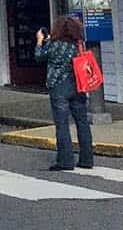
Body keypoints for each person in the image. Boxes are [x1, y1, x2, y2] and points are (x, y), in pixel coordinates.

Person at [35, 16, 94, 171]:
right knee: (82, 122)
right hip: (78, 85)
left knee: (62, 124)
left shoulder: (54, 45)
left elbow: (39, 56)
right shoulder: (78, 45)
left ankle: (65, 160)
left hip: (59, 86)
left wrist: (40, 41)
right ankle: (87, 159)